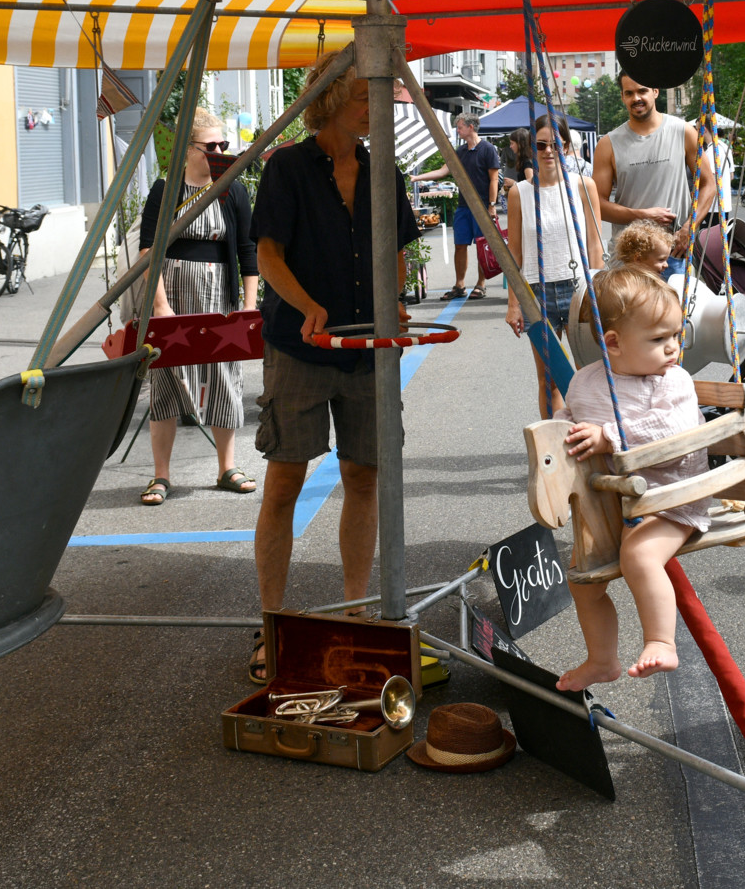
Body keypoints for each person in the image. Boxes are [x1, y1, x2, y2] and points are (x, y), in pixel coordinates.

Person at [248, 51, 420, 681]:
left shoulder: (384, 170)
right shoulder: (288, 166)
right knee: (285, 482)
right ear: (328, 102)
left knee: (365, 477)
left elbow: (398, 252)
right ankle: (272, 625)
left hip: (368, 349)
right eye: (363, 97)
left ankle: (355, 611)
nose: (375, 107)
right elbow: (268, 256)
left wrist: (396, 304)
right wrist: (307, 307)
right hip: (299, 348)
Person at [555, 267, 713, 689]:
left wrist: (608, 436)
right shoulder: (585, 381)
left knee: (639, 557)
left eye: (675, 336)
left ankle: (661, 641)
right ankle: (601, 660)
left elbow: (673, 430)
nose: (673, 348)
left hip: (671, 495)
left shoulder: (672, 382)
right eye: (659, 339)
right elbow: (570, 418)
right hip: (613, 501)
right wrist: (562, 432)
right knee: (583, 581)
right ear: (613, 344)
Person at [135, 106, 259, 504]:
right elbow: (147, 255)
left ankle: (227, 467)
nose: (220, 151)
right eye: (211, 146)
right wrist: (161, 307)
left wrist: (249, 306)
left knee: (224, 377)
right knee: (166, 382)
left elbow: (248, 250)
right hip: (172, 295)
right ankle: (161, 475)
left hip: (219, 296)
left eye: (224, 144)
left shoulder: (233, 188)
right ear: (188, 149)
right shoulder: (165, 190)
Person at [506, 115, 605, 417]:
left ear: (565, 146)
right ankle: (554, 451)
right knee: (549, 380)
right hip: (537, 293)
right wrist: (513, 304)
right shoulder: (519, 193)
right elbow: (515, 254)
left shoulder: (584, 186)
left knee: (588, 376)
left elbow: (594, 245)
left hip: (579, 289)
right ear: (531, 148)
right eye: (541, 145)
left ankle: (591, 441)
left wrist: (599, 291)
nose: (549, 151)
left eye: (556, 145)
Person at [593, 75, 716, 265]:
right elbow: (598, 205)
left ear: (655, 92)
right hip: (628, 257)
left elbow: (709, 184)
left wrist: (690, 227)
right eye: (629, 93)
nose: (636, 98)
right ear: (622, 97)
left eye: (642, 90)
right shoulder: (608, 144)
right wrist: (643, 214)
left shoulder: (683, 132)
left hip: (674, 253)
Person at [414, 112, 502, 302]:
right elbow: (444, 171)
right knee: (459, 245)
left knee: (481, 246)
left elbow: (494, 179)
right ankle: (460, 284)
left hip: (482, 206)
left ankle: (481, 284)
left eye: (460, 126)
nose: (458, 130)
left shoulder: (488, 149)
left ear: (471, 127)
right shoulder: (460, 152)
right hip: (464, 206)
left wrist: (492, 205)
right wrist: (417, 177)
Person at [611, 221, 676, 275]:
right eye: (661, 260)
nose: (666, 265)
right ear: (638, 259)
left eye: (666, 260)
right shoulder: (628, 284)